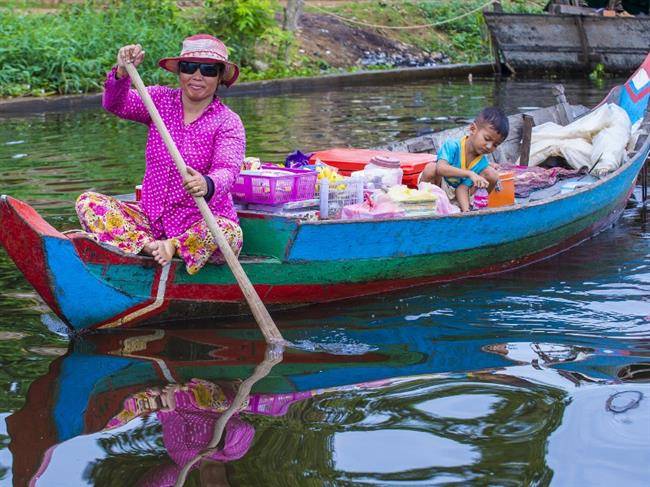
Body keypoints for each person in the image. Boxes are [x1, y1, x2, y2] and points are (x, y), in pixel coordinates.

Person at [75, 34, 245, 274]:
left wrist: (207, 183)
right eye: (189, 67)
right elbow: (116, 104)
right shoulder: (158, 100)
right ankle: (149, 247)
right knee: (89, 202)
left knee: (229, 233)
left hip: (199, 224)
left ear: (218, 78)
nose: (197, 76)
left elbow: (228, 169)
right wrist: (122, 73)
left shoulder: (228, 122)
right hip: (152, 221)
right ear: (180, 72)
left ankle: (173, 247)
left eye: (207, 70)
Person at [420, 107, 509, 212]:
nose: (489, 147)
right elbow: (441, 168)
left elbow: (462, 188)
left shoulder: (481, 162)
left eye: (495, 144)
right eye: (487, 139)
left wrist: (466, 211)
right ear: (472, 129)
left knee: (492, 174)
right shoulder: (452, 145)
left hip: (460, 194)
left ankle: (474, 207)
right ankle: (424, 206)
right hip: (440, 187)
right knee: (431, 168)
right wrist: (469, 174)